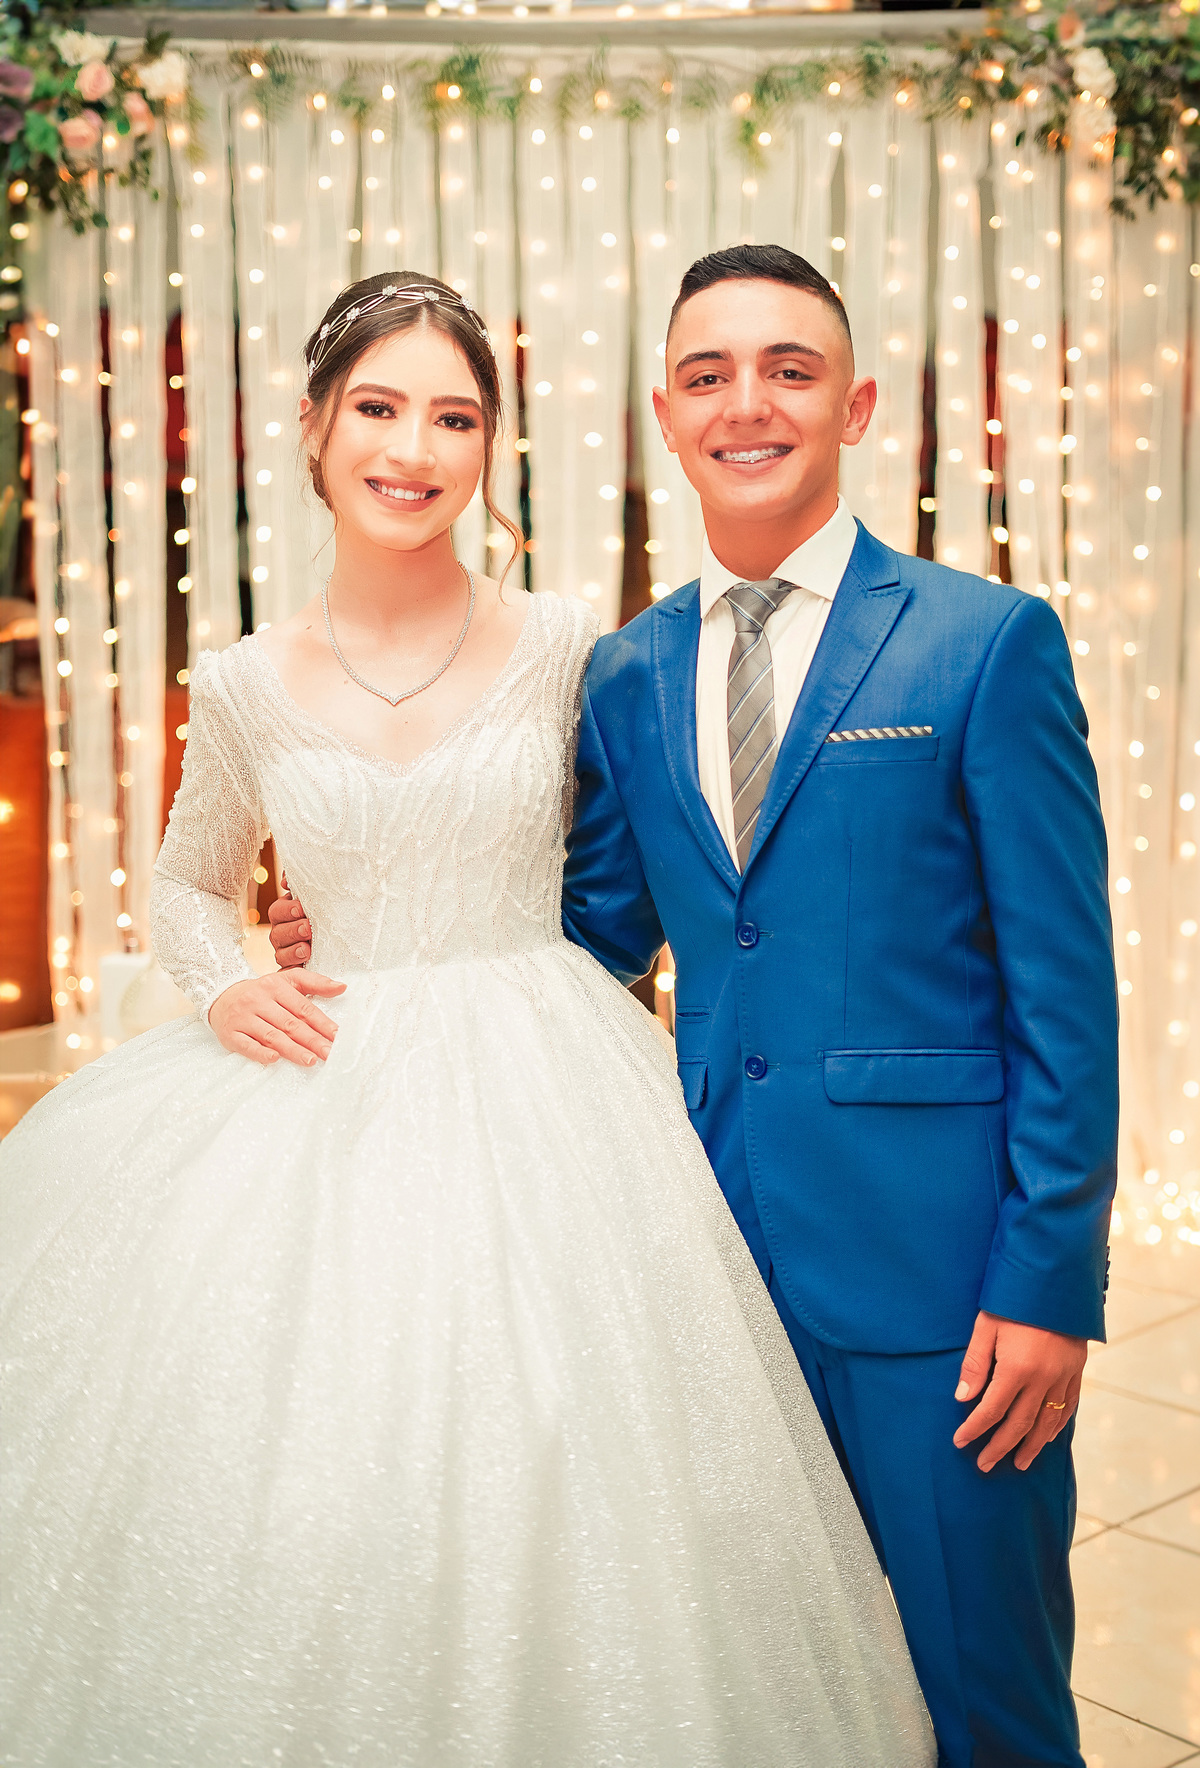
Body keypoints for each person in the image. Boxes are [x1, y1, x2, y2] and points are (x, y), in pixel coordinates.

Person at [0, 270, 934, 1767]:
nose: (412, 448)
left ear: (490, 445)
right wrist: (233, 979)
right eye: (378, 408)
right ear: (314, 429)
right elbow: (184, 883)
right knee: (301, 1461)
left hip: (545, 1079)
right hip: (318, 1077)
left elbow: (634, 868)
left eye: (453, 417)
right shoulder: (241, 682)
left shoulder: (571, 647)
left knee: (578, 1457)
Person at [273, 243, 1122, 1768]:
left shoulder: (985, 642)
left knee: (983, 1695)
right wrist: (358, 921)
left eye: (791, 371)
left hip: (940, 1288)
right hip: (701, 1269)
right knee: (784, 1701)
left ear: (857, 403)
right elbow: (582, 933)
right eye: (709, 376)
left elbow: (1066, 993)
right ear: (664, 415)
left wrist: (1048, 1280)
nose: (750, 404)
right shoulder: (626, 672)